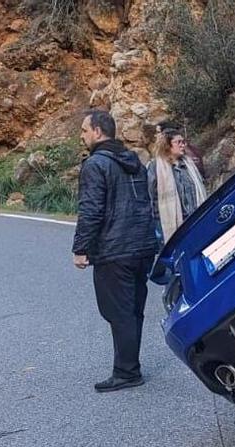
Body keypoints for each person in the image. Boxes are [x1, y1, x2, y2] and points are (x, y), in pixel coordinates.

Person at [72, 109, 158, 393]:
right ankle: (129, 366)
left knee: (117, 311)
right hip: (142, 246)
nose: (82, 136)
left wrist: (81, 248)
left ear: (97, 131)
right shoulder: (134, 160)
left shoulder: (96, 164)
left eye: (84, 130)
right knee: (133, 310)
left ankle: (126, 372)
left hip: (115, 250)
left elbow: (91, 210)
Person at [147, 128, 208, 244]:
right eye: (178, 142)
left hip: (194, 220)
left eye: (183, 142)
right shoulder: (156, 167)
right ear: (167, 145)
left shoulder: (189, 165)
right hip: (171, 223)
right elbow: (150, 196)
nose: (182, 145)